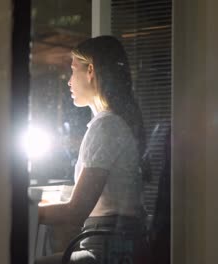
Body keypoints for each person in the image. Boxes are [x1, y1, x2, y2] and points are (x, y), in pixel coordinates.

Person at [37, 35, 149, 264]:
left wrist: (23, 212)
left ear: (90, 71)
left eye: (72, 69)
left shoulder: (107, 126)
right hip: (115, 244)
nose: (68, 81)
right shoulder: (113, 123)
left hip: (106, 250)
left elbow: (76, 211)